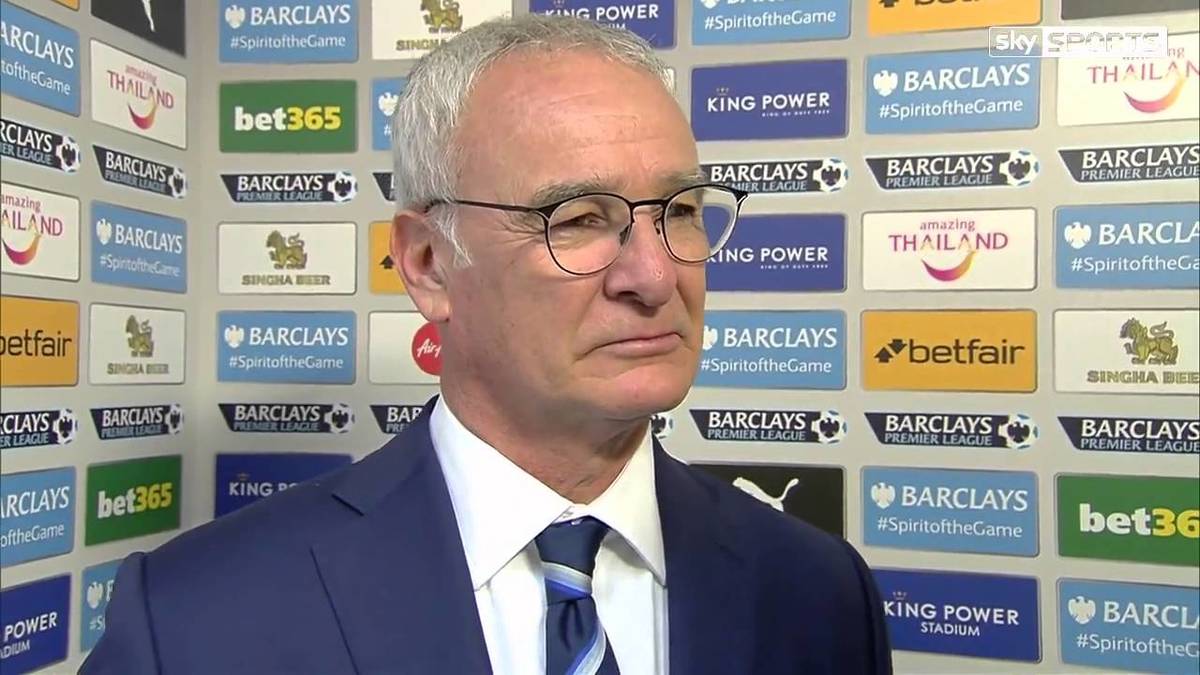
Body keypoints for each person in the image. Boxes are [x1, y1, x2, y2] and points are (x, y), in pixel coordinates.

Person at [81, 14, 891, 675]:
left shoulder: (821, 593)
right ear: (429, 264)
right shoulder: (195, 619)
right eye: (579, 219)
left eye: (679, 211)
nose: (654, 275)